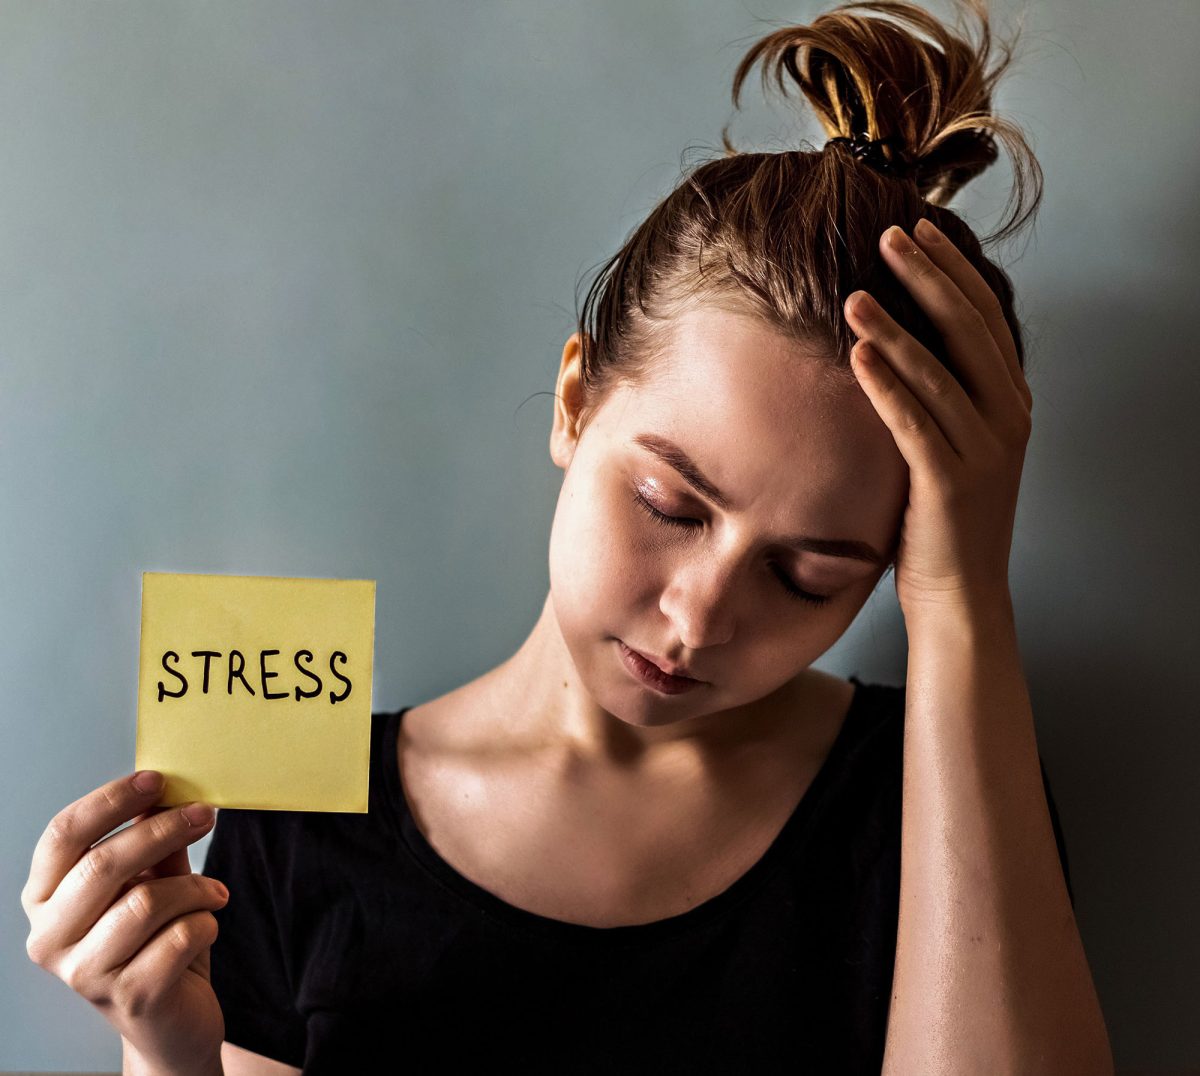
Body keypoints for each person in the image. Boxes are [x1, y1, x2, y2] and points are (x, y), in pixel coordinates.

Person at [22, 1, 1094, 1073]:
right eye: (672, 506)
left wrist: (963, 603)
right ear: (575, 400)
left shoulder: (928, 787)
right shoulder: (299, 821)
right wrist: (166, 1047)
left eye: (810, 576)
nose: (699, 617)